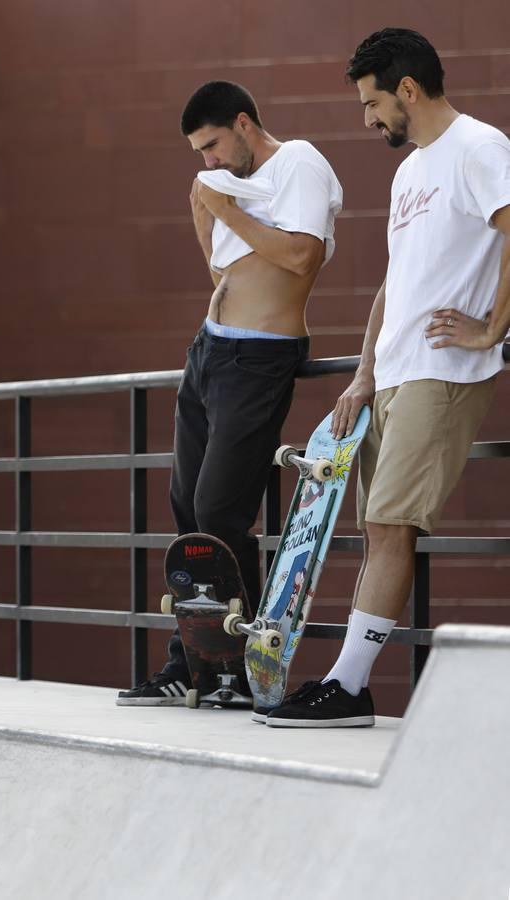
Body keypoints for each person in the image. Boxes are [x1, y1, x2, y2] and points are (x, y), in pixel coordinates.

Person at [268, 28, 510, 727]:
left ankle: (349, 687)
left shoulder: (480, 147)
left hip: (444, 371)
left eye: (372, 103)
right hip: (398, 373)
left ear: (407, 89)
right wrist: (363, 374)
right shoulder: (411, 172)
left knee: (389, 523)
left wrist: (492, 329)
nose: (368, 119)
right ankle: (346, 683)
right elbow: (393, 283)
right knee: (379, 530)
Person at [118, 81, 343, 706]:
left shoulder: (297, 161)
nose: (208, 163)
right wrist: (209, 208)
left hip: (260, 357)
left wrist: (223, 209)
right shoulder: (219, 185)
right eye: (198, 152)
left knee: (220, 509)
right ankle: (191, 666)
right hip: (209, 351)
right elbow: (223, 267)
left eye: (213, 146)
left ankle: (249, 663)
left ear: (244, 124)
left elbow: (301, 255)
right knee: (188, 510)